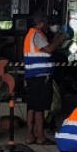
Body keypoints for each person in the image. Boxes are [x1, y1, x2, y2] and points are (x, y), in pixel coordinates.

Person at [22, 12, 57, 145]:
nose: (48, 26)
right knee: (39, 107)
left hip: (32, 75)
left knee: (32, 106)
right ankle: (40, 136)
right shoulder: (37, 35)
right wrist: (62, 37)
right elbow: (49, 49)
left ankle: (30, 136)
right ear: (41, 23)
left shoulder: (31, 35)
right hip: (40, 76)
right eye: (46, 23)